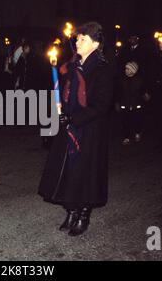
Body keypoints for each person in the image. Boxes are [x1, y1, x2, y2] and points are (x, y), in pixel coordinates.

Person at [38, 22, 114, 236]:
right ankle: (70, 210)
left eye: (82, 38)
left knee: (85, 174)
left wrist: (75, 117)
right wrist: (61, 104)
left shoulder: (102, 69)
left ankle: (83, 214)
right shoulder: (73, 65)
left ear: (95, 43)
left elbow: (101, 104)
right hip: (69, 126)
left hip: (88, 129)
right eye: (77, 38)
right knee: (67, 172)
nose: (77, 41)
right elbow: (66, 91)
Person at [117, 61, 149, 145]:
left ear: (133, 70)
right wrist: (117, 102)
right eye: (125, 68)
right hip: (125, 104)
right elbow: (119, 92)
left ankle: (137, 132)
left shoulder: (139, 80)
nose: (126, 70)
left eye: (128, 69)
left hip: (136, 104)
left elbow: (143, 91)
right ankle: (126, 137)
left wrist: (146, 96)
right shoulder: (122, 80)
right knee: (125, 121)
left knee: (137, 119)